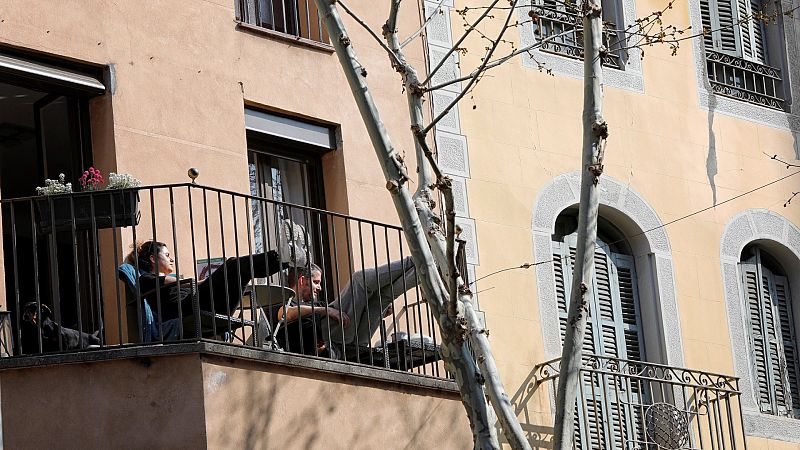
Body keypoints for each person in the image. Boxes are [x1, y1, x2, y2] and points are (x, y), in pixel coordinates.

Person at [128, 234, 306, 324]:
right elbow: (175, 282)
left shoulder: (171, 281)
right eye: (167, 255)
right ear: (153, 258)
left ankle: (286, 261)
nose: (172, 259)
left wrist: (208, 281)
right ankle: (279, 257)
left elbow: (186, 284)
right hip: (191, 311)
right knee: (232, 265)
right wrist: (201, 282)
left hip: (203, 305)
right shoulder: (145, 279)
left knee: (240, 271)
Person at [278, 257, 417, 360]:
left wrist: (379, 313)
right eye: (316, 282)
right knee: (359, 280)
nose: (319, 288)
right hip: (330, 342)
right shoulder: (287, 303)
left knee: (382, 298)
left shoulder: (319, 305)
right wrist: (326, 310)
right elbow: (285, 314)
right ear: (302, 280)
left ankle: (421, 271)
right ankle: (413, 260)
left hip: (351, 343)